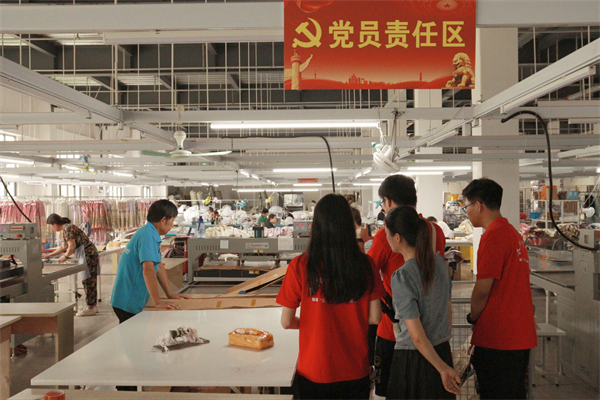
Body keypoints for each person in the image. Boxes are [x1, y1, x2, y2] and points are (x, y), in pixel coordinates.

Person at [277, 194, 384, 400]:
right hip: (354, 369)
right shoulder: (366, 264)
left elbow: (286, 322)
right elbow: (375, 317)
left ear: (316, 226)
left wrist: (315, 323)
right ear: (349, 224)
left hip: (315, 369)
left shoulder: (300, 266)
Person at [368, 174, 446, 397]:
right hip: (434, 333)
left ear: (388, 201)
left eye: (382, 203)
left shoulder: (386, 236)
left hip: (395, 333)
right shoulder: (435, 231)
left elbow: (367, 274)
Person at [462, 178, 537, 400]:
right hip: (519, 334)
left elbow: (483, 289)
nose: (466, 213)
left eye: (466, 207)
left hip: (499, 337)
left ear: (478, 205)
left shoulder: (493, 236)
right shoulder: (512, 233)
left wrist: (473, 317)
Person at [385, 206, 460, 399]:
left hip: (414, 360)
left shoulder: (402, 276)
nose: (386, 238)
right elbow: (448, 309)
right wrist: (443, 364)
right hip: (441, 351)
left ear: (397, 237)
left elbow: (417, 336)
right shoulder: (440, 264)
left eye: (387, 233)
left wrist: (443, 369)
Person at [111, 200, 192, 323]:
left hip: (130, 297)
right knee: (133, 333)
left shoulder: (150, 233)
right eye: (172, 221)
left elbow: (158, 267)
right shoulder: (147, 235)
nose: (172, 225)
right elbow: (148, 271)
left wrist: (170, 294)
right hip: (127, 300)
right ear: (163, 220)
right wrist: (158, 302)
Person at [47, 213, 100, 317]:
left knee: (88, 280)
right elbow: (64, 247)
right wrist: (49, 255)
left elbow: (71, 247)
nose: (52, 229)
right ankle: (92, 306)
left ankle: (91, 308)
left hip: (87, 254)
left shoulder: (68, 229)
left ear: (55, 224)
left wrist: (65, 256)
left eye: (51, 226)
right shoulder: (67, 228)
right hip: (88, 253)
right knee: (90, 280)